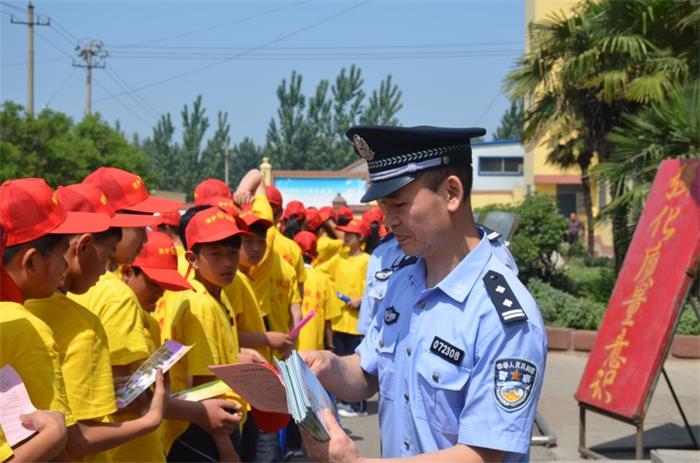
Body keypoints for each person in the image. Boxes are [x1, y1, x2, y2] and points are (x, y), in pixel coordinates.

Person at [300, 125, 547, 462]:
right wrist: (328, 366)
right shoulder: (403, 282)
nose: (388, 221)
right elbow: (368, 373)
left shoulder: (502, 317)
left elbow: (482, 454)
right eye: (383, 206)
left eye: (398, 204)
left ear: (451, 194)